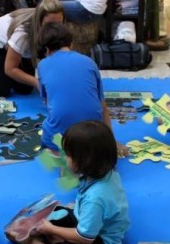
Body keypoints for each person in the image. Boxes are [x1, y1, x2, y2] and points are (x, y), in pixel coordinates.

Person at [6, 120, 130, 244]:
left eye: (69, 155)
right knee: (50, 212)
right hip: (85, 218)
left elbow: (86, 238)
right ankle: (55, 238)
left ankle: (34, 243)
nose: (65, 158)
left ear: (85, 162)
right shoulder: (102, 170)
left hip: (100, 240)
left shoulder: (96, 198)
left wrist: (50, 229)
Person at [37, 22, 128, 156]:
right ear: (71, 44)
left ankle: (60, 154)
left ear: (46, 49)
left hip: (60, 140)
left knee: (50, 137)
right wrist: (112, 141)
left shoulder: (42, 65)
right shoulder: (89, 62)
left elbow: (48, 104)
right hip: (95, 137)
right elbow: (103, 108)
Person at [0, 0, 64, 98]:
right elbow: (10, 69)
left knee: (25, 89)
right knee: (1, 90)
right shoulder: (22, 34)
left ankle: (0, 73)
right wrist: (37, 82)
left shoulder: (59, 30)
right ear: (39, 21)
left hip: (17, 47)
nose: (54, 29)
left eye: (58, 24)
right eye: (49, 24)